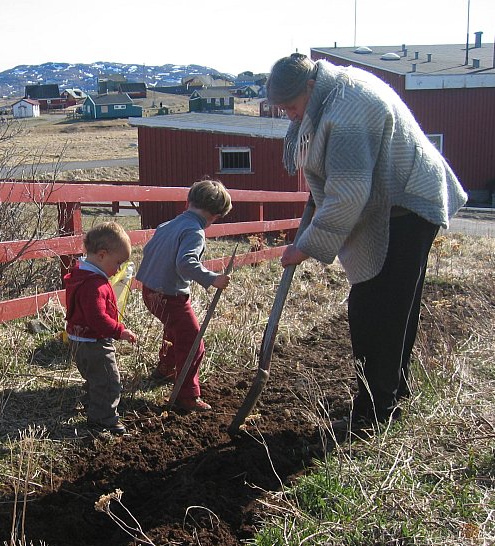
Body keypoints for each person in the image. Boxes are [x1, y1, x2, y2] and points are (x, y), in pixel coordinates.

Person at [266, 53, 467, 432]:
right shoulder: (329, 92)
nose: (289, 116)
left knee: (376, 312)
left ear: (310, 87)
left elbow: (349, 194)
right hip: (391, 200)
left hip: (408, 203)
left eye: (291, 107)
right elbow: (338, 174)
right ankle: (391, 393)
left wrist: (305, 246)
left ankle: (374, 415)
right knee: (389, 306)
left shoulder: (348, 110)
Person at [135, 180, 232, 412]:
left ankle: (165, 370)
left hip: (149, 291)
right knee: (192, 342)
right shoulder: (195, 231)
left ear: (190, 201)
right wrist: (212, 278)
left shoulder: (167, 225)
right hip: (170, 296)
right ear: (215, 215)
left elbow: (148, 251)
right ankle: (186, 394)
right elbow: (186, 263)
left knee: (174, 331)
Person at [65, 222, 137, 435]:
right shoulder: (94, 285)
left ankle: (93, 403)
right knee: (108, 381)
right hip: (94, 341)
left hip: (79, 339)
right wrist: (118, 330)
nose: (119, 269)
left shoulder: (81, 273)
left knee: (94, 376)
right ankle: (103, 419)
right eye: (118, 263)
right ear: (102, 255)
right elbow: (97, 318)